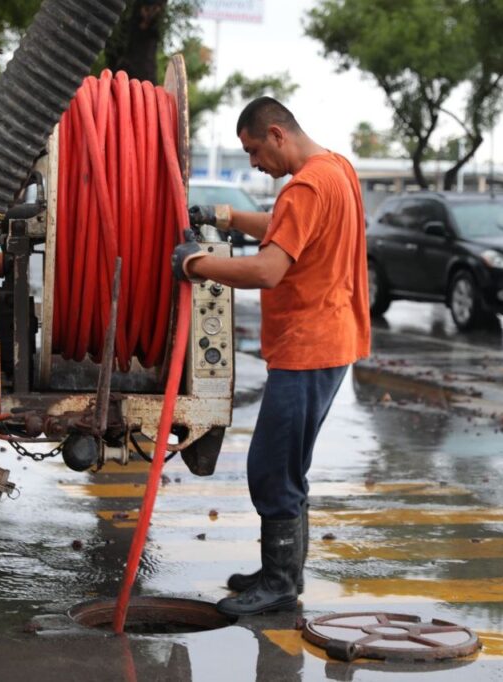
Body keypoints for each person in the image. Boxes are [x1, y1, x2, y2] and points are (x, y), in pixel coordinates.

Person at [172, 97, 371, 617]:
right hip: (331, 340)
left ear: (278, 134)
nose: (255, 163)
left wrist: (197, 263)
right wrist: (229, 216)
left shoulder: (305, 185)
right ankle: (283, 572)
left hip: (309, 346)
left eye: (255, 150)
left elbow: (267, 271)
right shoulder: (336, 169)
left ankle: (280, 582)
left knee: (269, 467)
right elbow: (289, 228)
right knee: (289, 465)